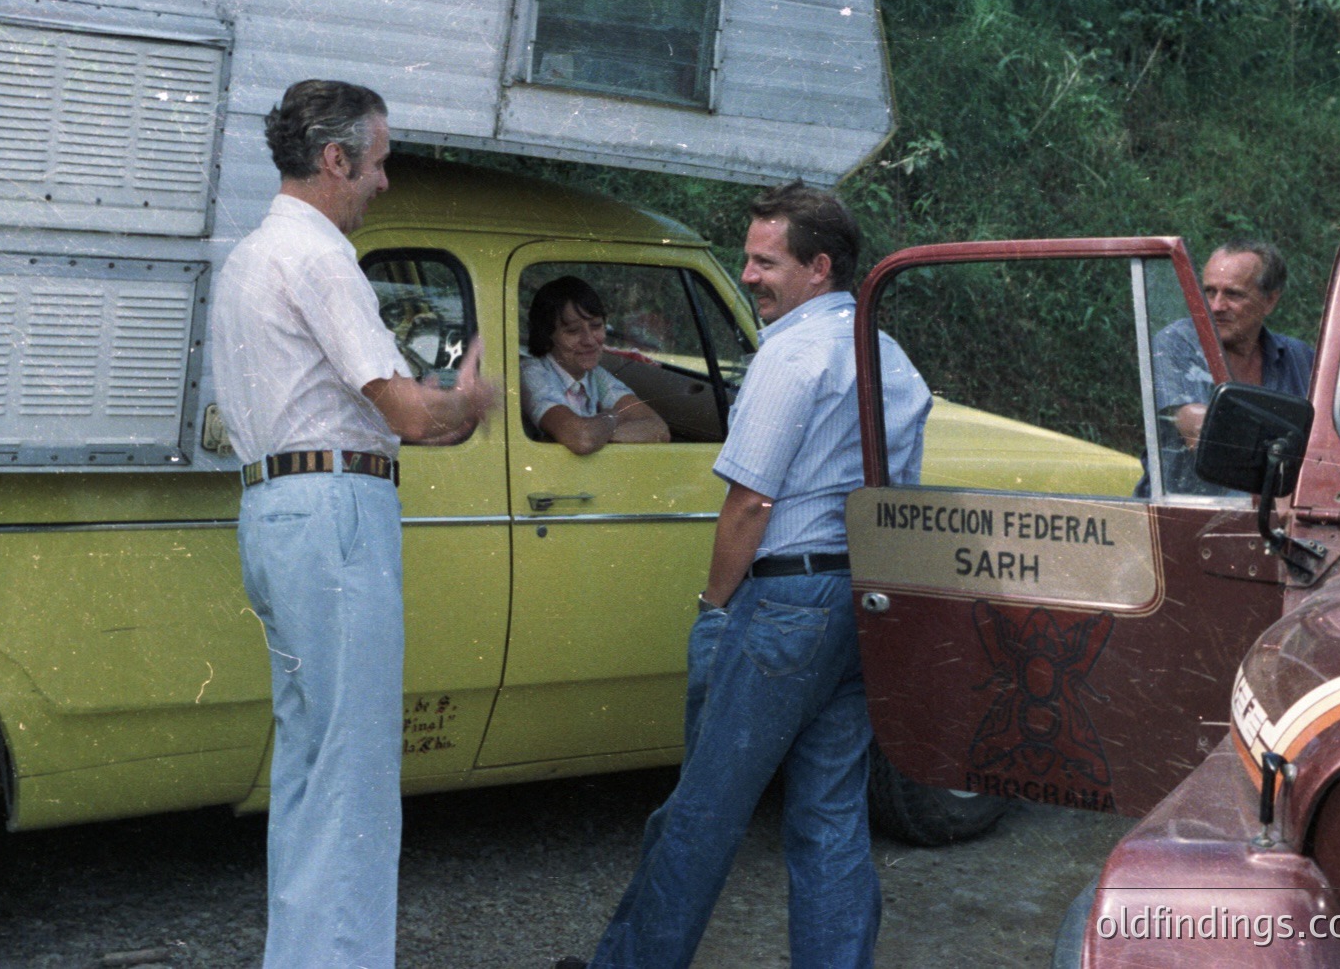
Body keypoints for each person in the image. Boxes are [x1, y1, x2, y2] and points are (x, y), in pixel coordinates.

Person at [557, 182, 931, 969]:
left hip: (787, 599)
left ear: (818, 266)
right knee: (828, 814)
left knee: (703, 809)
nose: (749, 274)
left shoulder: (791, 354)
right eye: (747, 258)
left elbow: (750, 502)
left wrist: (713, 605)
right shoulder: (888, 357)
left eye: (765, 261)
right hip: (866, 598)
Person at [208, 79, 499, 969]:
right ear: (334, 160)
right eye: (376, 163)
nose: (383, 181)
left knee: (310, 766)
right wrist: (471, 399)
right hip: (333, 511)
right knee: (354, 772)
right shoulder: (321, 256)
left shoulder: (251, 255)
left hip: (276, 511)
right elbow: (409, 413)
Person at [1151, 239, 1314, 493]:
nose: (1216, 306)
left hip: (1271, 520)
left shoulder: (1299, 357)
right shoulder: (1177, 341)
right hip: (1183, 517)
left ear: (1270, 301)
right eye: (1209, 291)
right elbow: (1201, 432)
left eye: (1233, 294)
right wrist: (1281, 480)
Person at [521, 276, 671, 454]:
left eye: (596, 326)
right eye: (573, 331)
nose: (589, 340)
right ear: (546, 336)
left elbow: (658, 430)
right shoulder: (532, 373)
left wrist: (599, 432)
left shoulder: (595, 375)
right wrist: (612, 416)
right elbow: (582, 439)